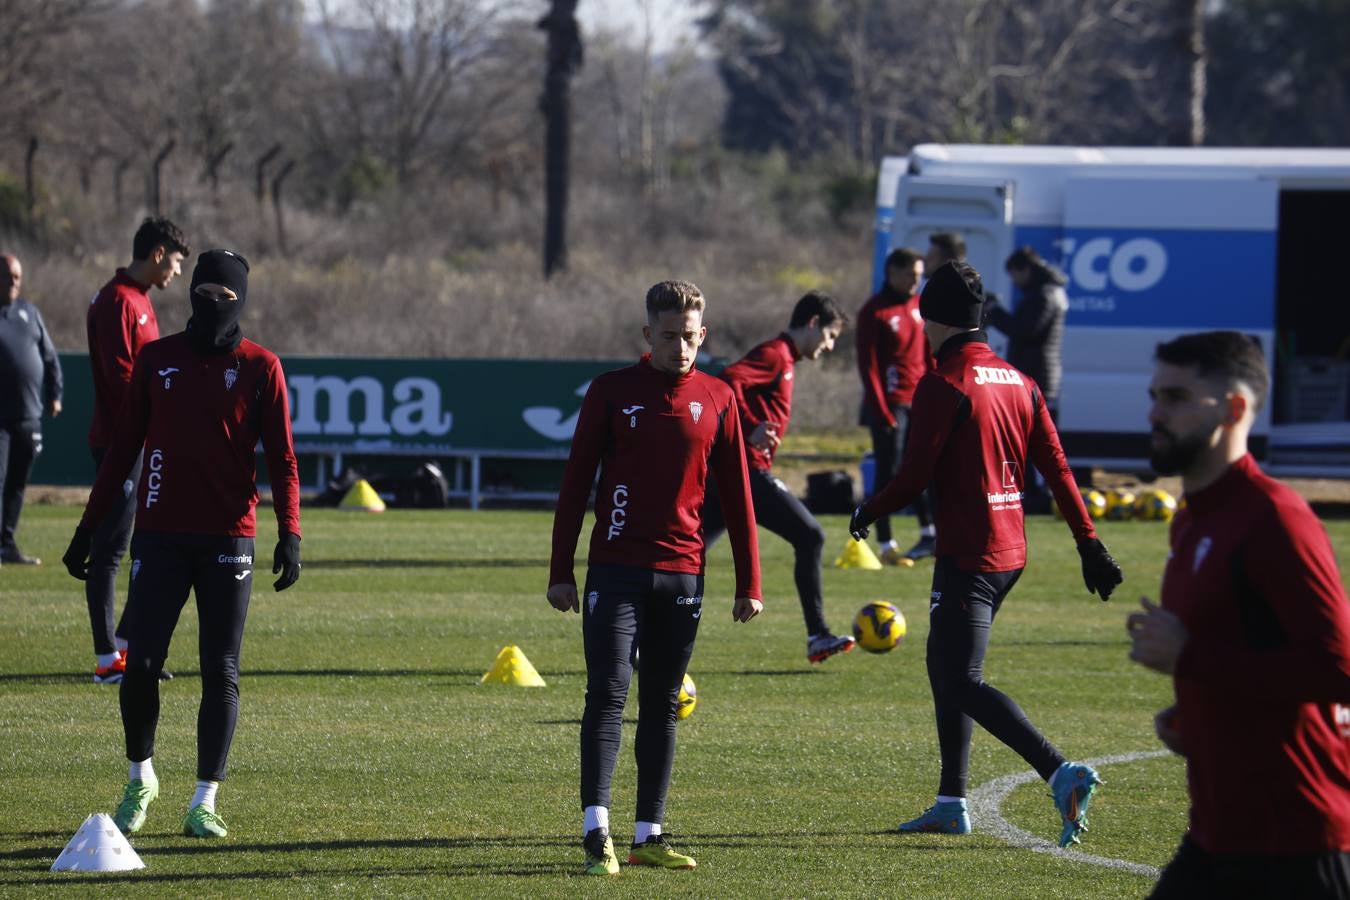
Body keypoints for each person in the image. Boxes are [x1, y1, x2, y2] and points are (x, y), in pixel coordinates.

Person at [847, 260, 1123, 847]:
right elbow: (1057, 466)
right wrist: (1088, 543)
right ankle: (952, 801)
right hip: (1009, 551)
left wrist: (868, 511)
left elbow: (913, 474)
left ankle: (1059, 771)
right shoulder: (1018, 381)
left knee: (960, 678)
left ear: (929, 316)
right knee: (943, 668)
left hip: (970, 554)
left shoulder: (943, 382)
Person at [62, 249, 302, 840]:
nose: (213, 305)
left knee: (220, 670)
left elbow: (285, 460)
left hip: (229, 539)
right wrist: (88, 527)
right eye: (204, 294)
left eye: (225, 296)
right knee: (140, 665)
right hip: (161, 536)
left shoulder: (260, 366)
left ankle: (204, 799)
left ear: (240, 301)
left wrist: (290, 533)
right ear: (190, 294)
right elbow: (122, 450)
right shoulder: (157, 358)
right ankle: (141, 776)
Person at [547, 279, 763, 876]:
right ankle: (597, 831)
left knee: (663, 704)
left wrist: (751, 581)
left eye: (690, 337)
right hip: (614, 571)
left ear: (703, 335)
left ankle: (650, 833)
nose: (681, 348)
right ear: (649, 335)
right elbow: (574, 486)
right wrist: (560, 570)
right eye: (669, 336)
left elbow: (740, 496)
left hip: (684, 576)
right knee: (609, 691)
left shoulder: (719, 397)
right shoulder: (613, 392)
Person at [1127, 331, 1350, 899]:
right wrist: (1196, 715)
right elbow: (1247, 651)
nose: (1154, 413)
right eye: (1154, 395)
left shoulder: (1276, 517)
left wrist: (1189, 658)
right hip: (1218, 839)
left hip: (1295, 850)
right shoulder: (1192, 520)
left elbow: (1337, 668)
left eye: (1176, 398)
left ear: (1234, 408)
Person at [702, 290, 851, 663]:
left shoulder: (785, 359)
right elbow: (726, 382)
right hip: (747, 471)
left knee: (686, 555)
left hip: (731, 473)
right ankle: (817, 634)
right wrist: (750, 426)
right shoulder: (775, 354)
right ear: (814, 323)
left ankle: (636, 642)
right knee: (811, 536)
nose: (830, 347)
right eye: (831, 336)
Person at [82, 217, 190, 684]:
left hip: (144, 443)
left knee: (148, 546)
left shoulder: (139, 300)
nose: (179, 275)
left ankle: (127, 648)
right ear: (160, 253)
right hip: (119, 445)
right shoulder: (116, 302)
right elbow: (123, 380)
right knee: (109, 551)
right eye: (178, 263)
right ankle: (108, 660)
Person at [856, 247, 936, 565]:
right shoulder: (874, 312)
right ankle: (886, 542)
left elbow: (929, 355)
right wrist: (881, 409)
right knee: (889, 474)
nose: (916, 281)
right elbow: (869, 367)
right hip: (890, 405)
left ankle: (929, 533)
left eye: (919, 275)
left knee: (923, 468)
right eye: (911, 275)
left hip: (919, 402)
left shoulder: (919, 306)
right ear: (892, 274)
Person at [0, 253, 62, 565]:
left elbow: (49, 356)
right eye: (8, 275)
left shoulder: (28, 312)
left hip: (28, 415)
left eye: (17, 276)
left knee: (17, 483)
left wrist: (55, 393)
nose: (13, 281)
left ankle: (6, 545)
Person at [985, 246, 1069, 421]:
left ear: (1025, 269)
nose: (1014, 282)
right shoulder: (1050, 292)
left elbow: (1025, 330)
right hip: (1040, 375)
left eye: (1014, 275)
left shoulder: (1044, 295)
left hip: (1036, 375)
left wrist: (995, 312)